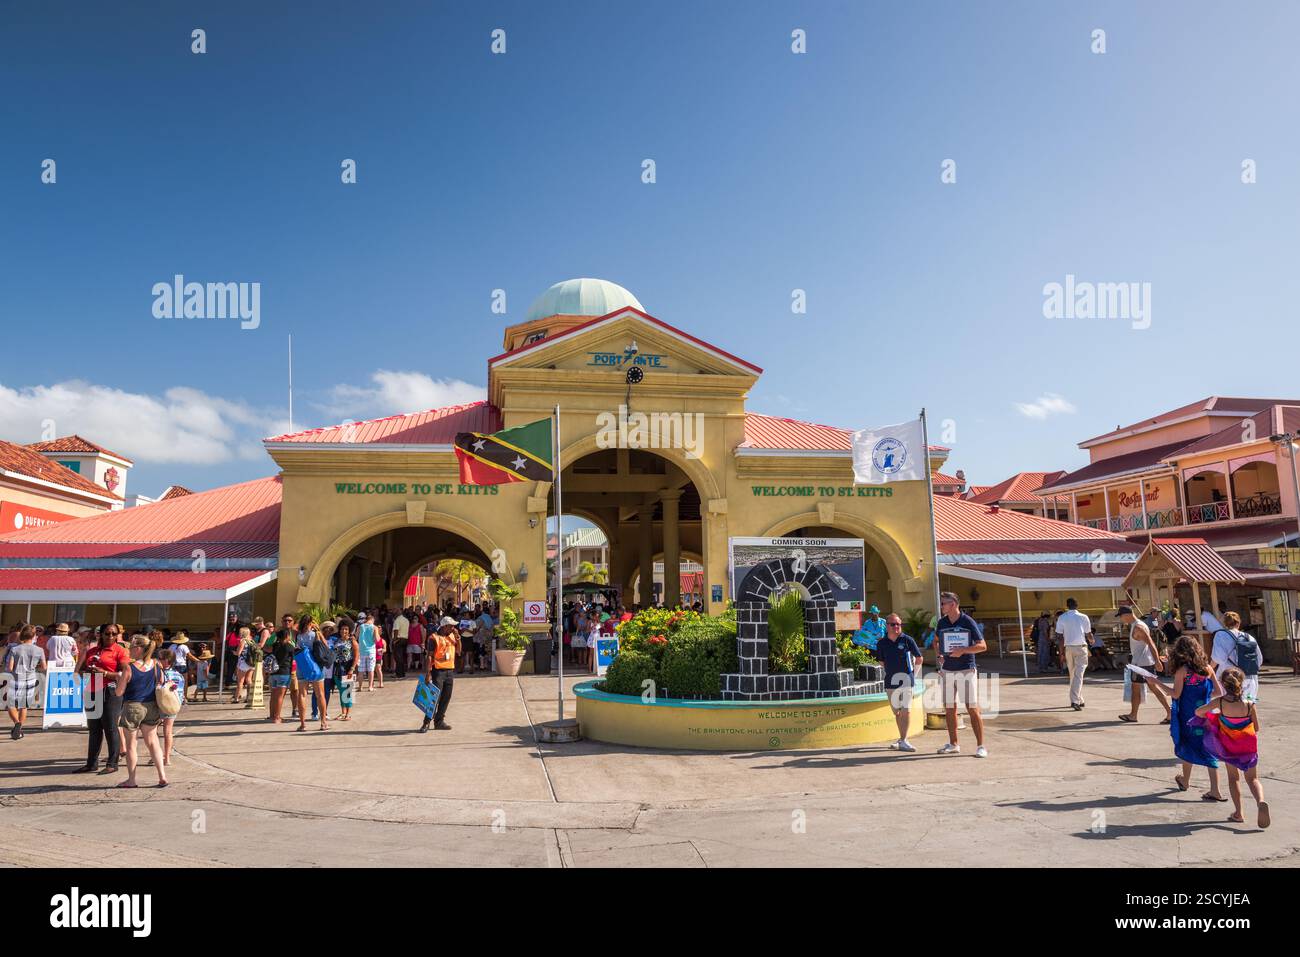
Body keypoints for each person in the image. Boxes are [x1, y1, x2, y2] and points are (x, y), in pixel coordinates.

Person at [1194, 667, 1269, 828]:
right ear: (1241, 683)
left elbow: (1198, 712)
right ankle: (1261, 801)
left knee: (1233, 778)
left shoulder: (1220, 702)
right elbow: (1256, 728)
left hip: (1229, 746)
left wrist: (1214, 718)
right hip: (1248, 745)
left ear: (1222, 684)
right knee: (1253, 779)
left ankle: (1239, 813)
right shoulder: (1250, 704)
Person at [1168, 634, 1224, 802]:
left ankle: (1186, 781)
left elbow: (1176, 694)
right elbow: (1219, 692)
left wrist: (1155, 683)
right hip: (1206, 715)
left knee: (1187, 745)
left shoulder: (1182, 671)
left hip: (1188, 716)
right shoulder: (1207, 668)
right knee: (1208, 748)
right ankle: (1214, 789)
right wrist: (1204, 697)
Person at [934, 592, 988, 757]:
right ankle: (953, 744)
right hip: (947, 669)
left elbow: (983, 646)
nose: (941, 606)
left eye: (944, 603)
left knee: (972, 708)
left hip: (966, 669)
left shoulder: (967, 621)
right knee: (950, 708)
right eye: (941, 603)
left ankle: (981, 746)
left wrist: (963, 650)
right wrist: (939, 656)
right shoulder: (942, 622)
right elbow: (936, 641)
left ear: (953, 604)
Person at [114, 634, 168, 788]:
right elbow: (162, 683)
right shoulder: (156, 665)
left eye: (131, 648)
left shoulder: (129, 668)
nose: (129, 651)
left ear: (138, 649)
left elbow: (119, 692)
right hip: (151, 706)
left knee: (131, 745)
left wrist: (119, 679)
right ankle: (162, 776)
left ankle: (132, 780)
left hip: (133, 707)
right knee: (153, 743)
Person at [77, 624, 129, 773]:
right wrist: (86, 671)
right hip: (92, 689)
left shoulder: (120, 651)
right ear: (100, 634)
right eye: (107, 633)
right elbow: (78, 670)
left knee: (110, 727)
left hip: (111, 689)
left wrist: (104, 673)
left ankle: (112, 764)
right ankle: (91, 763)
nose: (110, 636)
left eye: (114, 634)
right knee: (94, 729)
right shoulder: (92, 651)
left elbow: (124, 673)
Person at [1117, 607, 1171, 724]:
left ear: (1127, 615)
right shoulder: (1137, 625)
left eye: (1121, 616)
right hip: (1143, 662)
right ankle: (1134, 715)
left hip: (1141, 663)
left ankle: (1134, 715)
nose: (1121, 619)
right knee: (1149, 688)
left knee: (1140, 688)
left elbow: (1150, 643)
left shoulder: (1138, 627)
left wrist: (1157, 661)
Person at [877, 613, 922, 751]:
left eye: (898, 624)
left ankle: (904, 740)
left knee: (906, 710)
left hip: (907, 681)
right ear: (887, 626)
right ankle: (901, 739)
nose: (896, 627)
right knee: (897, 712)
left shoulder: (907, 640)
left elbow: (919, 658)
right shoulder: (881, 643)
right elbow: (881, 661)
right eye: (893, 624)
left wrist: (913, 674)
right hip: (891, 682)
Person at [4, 625, 47, 739]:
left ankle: (17, 723)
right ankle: (20, 729)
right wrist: (33, 665)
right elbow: (43, 667)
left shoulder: (15, 649)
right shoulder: (39, 650)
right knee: (24, 706)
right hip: (30, 679)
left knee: (11, 705)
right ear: (33, 636)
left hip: (17, 679)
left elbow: (10, 668)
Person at [1210, 611, 1260, 703]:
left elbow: (1218, 658)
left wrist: (1209, 670)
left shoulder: (1220, 635)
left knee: (1226, 706)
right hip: (1249, 677)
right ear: (1239, 623)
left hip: (1228, 676)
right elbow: (1259, 660)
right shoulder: (1249, 637)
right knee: (1248, 705)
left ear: (1224, 623)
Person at [419, 617, 460, 732]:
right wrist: (428, 673)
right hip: (438, 671)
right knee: (434, 698)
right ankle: (426, 722)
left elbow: (459, 651)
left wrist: (458, 638)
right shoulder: (434, 638)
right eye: (451, 626)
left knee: (446, 697)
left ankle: (439, 721)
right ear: (444, 626)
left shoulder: (452, 637)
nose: (453, 628)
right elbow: (429, 656)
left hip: (450, 671)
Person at [292, 614, 330, 732]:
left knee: (302, 695)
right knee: (320, 695)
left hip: (302, 668)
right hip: (315, 668)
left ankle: (303, 724)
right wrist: (318, 630)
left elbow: (294, 627)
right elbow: (325, 646)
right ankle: (323, 722)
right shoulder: (314, 635)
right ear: (311, 623)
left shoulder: (298, 636)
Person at [1055, 597, 1093, 711]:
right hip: (1081, 648)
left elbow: (1060, 637)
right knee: (1078, 675)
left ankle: (1079, 699)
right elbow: (1089, 634)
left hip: (1068, 648)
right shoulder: (1083, 617)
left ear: (1067, 606)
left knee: (1074, 674)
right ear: (1077, 605)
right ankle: (1075, 701)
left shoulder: (1062, 617)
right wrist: (1092, 641)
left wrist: (1061, 652)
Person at [156, 648, 185, 766]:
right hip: (172, 705)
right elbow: (181, 693)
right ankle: (166, 758)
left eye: (160, 659)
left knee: (153, 731)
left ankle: (157, 754)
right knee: (168, 731)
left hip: (158, 705)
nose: (158, 661)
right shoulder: (179, 675)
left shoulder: (158, 673)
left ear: (167, 660)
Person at [267, 627, 297, 722]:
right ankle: (277, 717)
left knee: (273, 695)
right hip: (284, 673)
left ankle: (272, 716)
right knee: (280, 696)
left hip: (273, 673)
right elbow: (294, 659)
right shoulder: (289, 646)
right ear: (287, 636)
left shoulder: (275, 645)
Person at [333, 621, 359, 721]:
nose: (344, 631)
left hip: (348, 667)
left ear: (349, 631)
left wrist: (352, 669)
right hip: (338, 668)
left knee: (348, 691)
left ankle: (348, 713)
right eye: (342, 629)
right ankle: (343, 712)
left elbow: (356, 656)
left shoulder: (352, 641)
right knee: (341, 691)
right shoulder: (336, 641)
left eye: (346, 629)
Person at [356, 613, 378, 692]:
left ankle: (360, 687)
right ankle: (370, 687)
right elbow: (377, 639)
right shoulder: (374, 627)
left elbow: (356, 637)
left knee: (361, 670)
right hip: (371, 651)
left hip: (362, 651)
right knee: (371, 670)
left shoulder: (360, 627)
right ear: (372, 620)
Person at [391, 608, 409, 679]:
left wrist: (394, 640)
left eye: (396, 611)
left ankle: (398, 674)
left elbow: (396, 630)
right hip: (405, 639)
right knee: (401, 657)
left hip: (398, 639)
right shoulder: (406, 620)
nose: (395, 612)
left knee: (398, 657)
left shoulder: (397, 620)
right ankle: (402, 673)